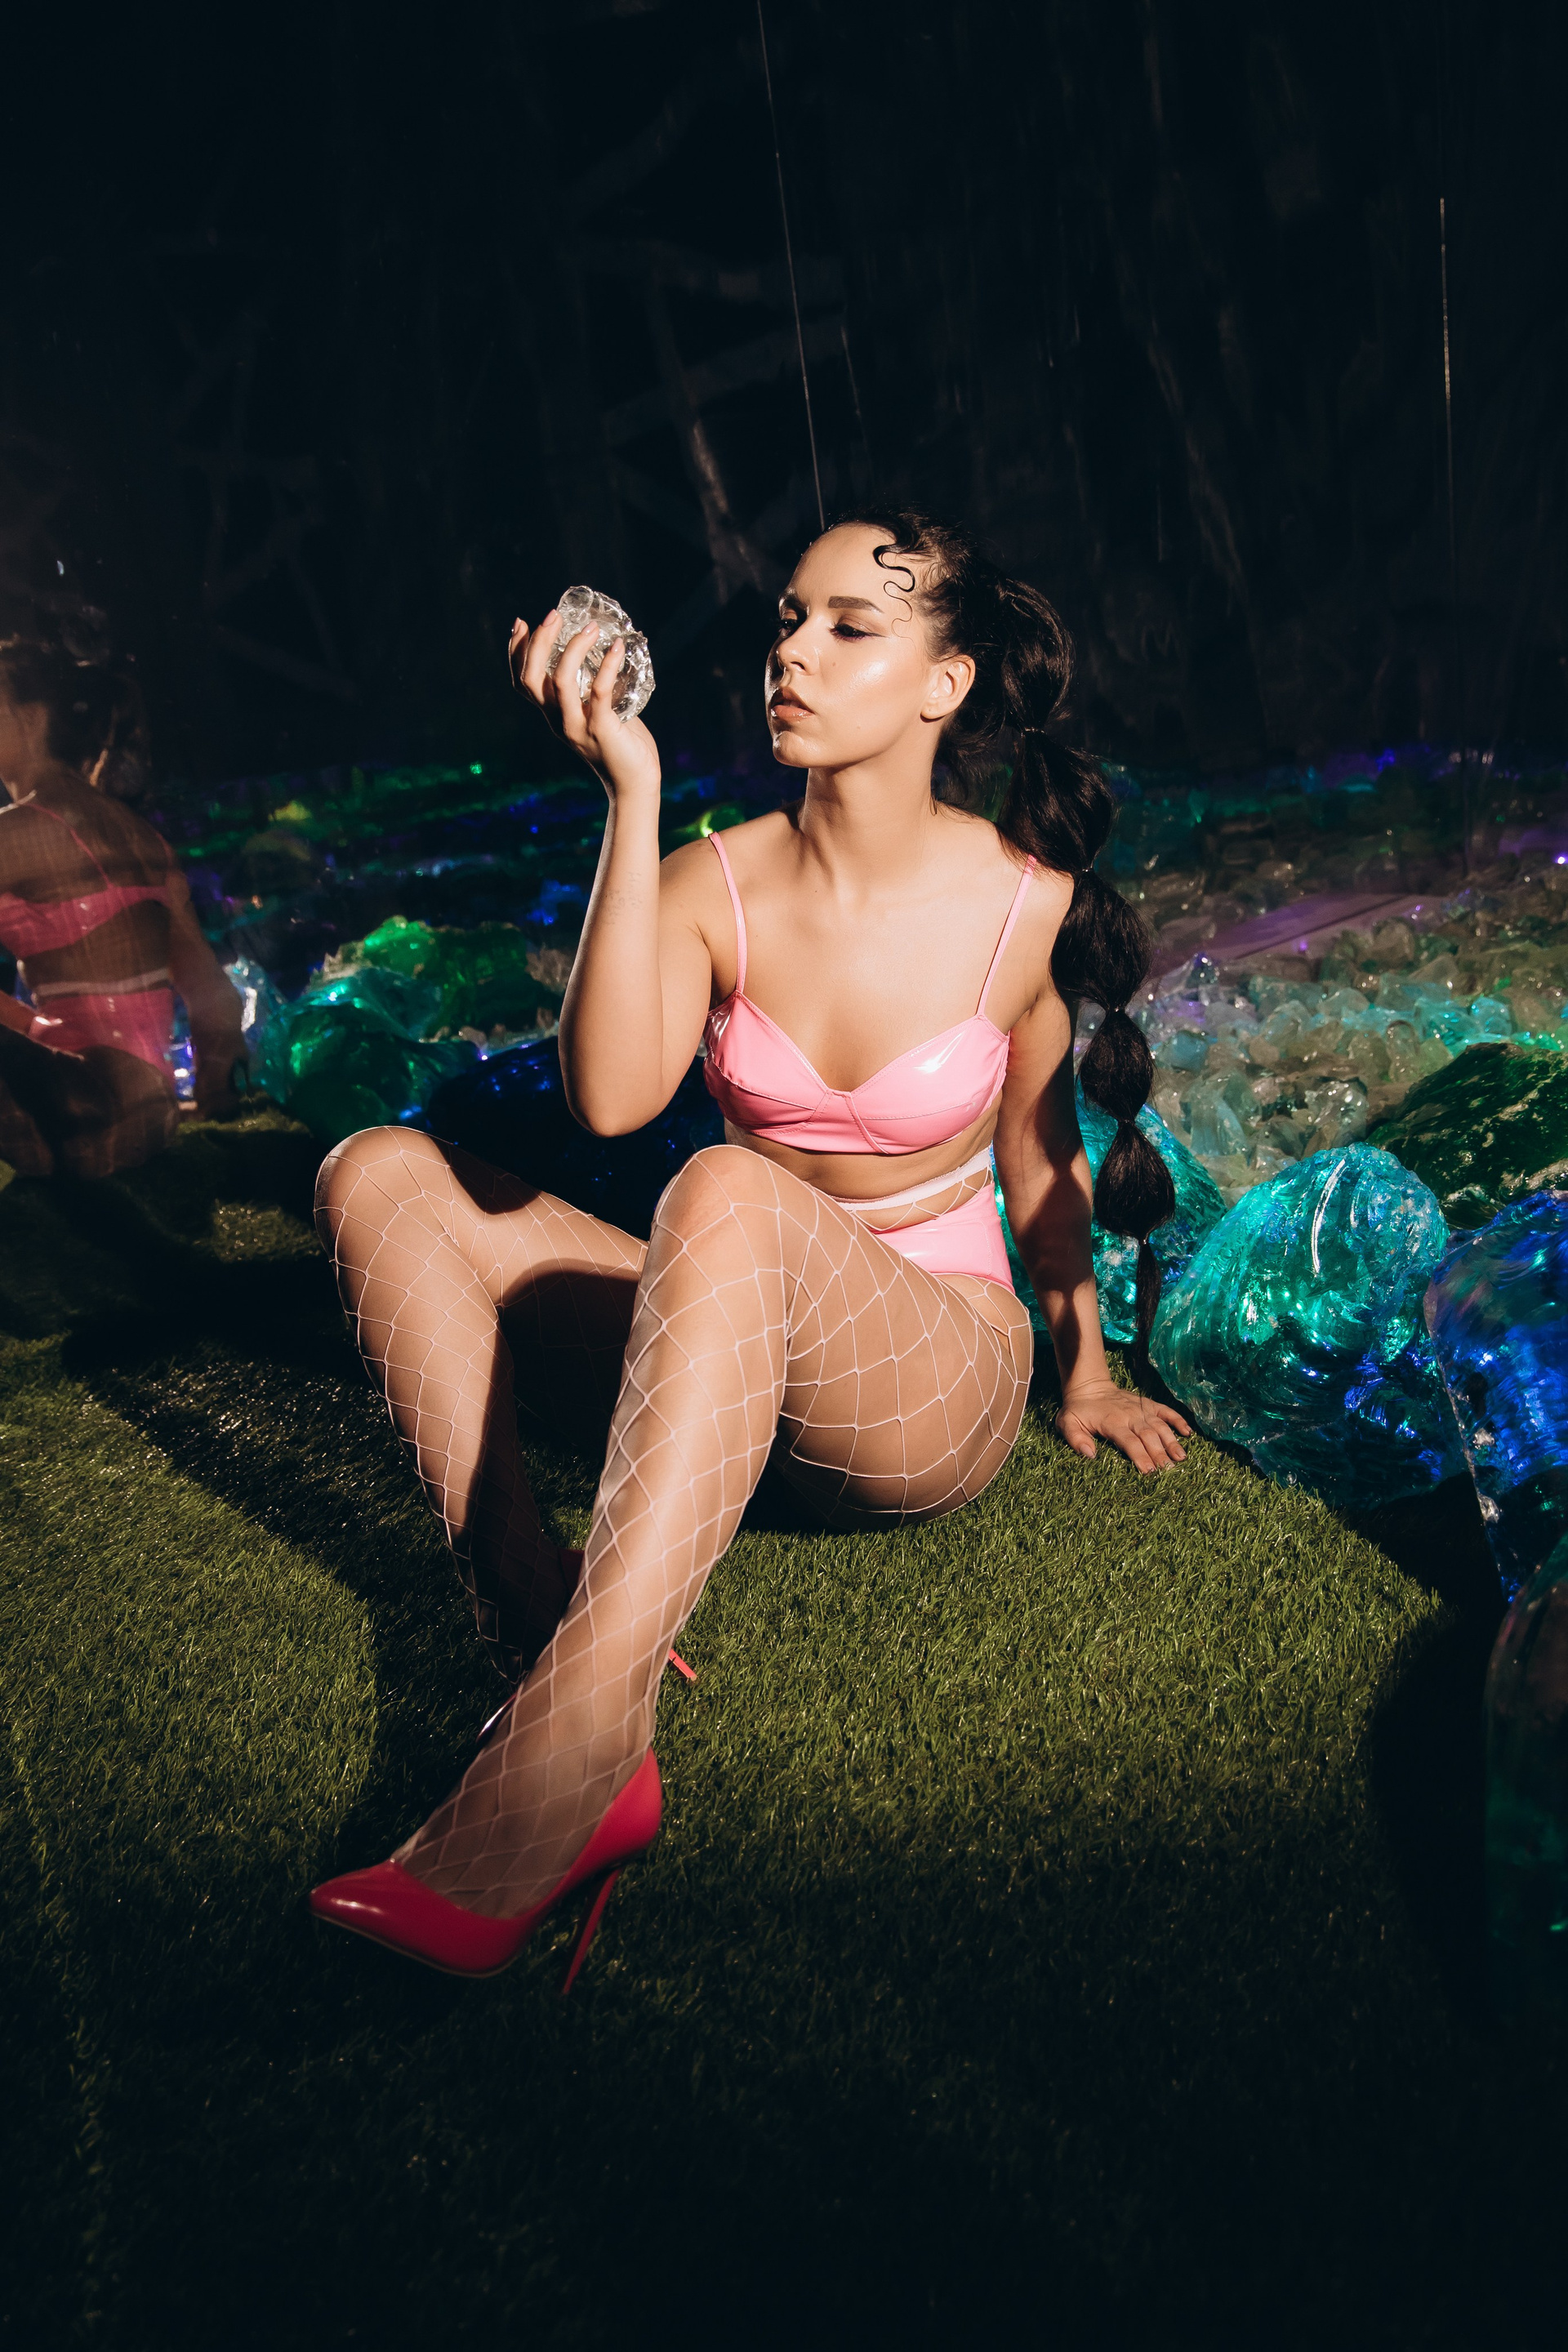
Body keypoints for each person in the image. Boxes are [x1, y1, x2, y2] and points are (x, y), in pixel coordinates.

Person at [309, 512, 1191, 1982]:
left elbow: (1042, 1159)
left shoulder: (1023, 905)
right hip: (711, 1368)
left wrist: (1084, 1367)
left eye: (850, 626)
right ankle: (529, 1611)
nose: (792, 651)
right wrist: (631, 795)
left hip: (919, 1384)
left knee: (725, 1190)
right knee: (377, 1174)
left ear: (946, 685)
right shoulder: (715, 878)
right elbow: (608, 1099)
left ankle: (569, 1756)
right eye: (789, 618)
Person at [0, 636, 248, 1178]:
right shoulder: (143, 838)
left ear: (30, 719)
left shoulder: (19, 834)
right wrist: (218, 1096)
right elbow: (214, 997)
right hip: (149, 1120)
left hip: (79, 1121)